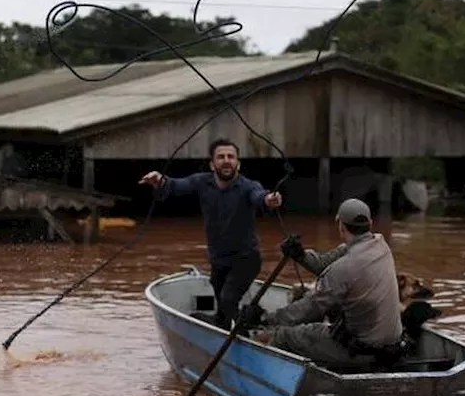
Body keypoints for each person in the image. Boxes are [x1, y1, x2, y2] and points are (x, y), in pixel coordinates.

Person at [239, 198, 405, 372]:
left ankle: (265, 378)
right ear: (370, 223)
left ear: (341, 226)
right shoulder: (381, 245)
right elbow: (324, 263)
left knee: (283, 336)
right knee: (322, 321)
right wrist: (301, 255)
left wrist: (265, 318)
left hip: (361, 350)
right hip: (391, 345)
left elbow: (309, 308)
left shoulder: (342, 269)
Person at [139, 139, 283, 328]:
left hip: (246, 259)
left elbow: (260, 197)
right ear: (212, 164)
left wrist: (269, 200)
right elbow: (175, 186)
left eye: (231, 157)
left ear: (238, 164)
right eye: (221, 157)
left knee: (228, 299)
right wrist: (159, 181)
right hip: (218, 259)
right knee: (223, 310)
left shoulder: (248, 186)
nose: (226, 161)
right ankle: (226, 329)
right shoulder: (201, 182)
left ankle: (248, 335)